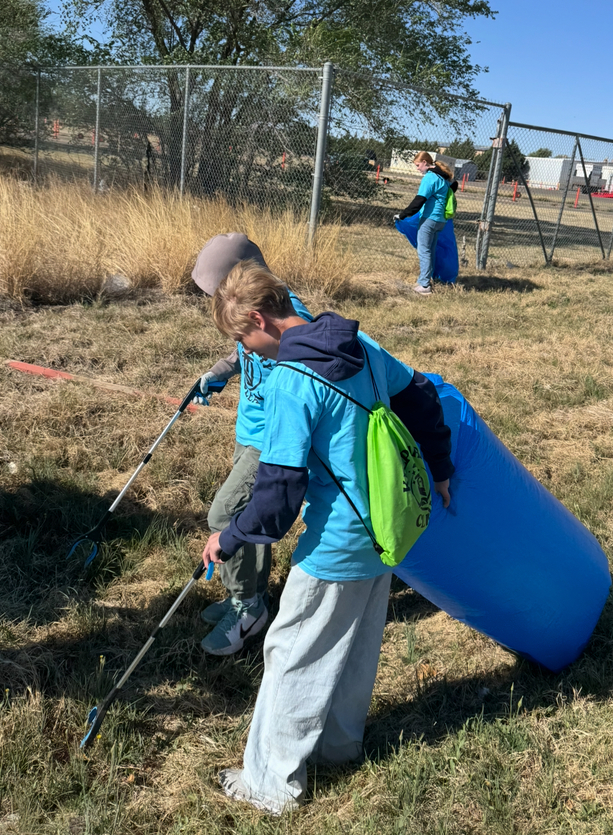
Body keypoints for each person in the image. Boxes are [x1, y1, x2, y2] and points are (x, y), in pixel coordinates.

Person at [202, 261, 454, 816]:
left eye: (243, 337)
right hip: (386, 528)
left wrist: (231, 536)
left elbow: (279, 490)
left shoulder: (291, 379)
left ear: (260, 318)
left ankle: (270, 784)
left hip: (337, 539)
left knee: (290, 651)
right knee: (355, 642)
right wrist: (439, 465)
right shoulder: (355, 341)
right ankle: (340, 746)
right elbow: (417, 391)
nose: (248, 351)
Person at [191, 233, 312, 656]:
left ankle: (248, 609)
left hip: (271, 438)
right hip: (249, 429)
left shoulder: (288, 315)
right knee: (247, 514)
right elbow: (243, 352)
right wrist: (219, 371)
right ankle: (249, 591)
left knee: (225, 512)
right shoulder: (253, 315)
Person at [394, 151, 457, 295]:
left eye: (418, 165)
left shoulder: (430, 178)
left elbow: (419, 200)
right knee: (431, 249)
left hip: (429, 219)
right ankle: (430, 279)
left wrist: (402, 215)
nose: (417, 168)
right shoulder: (443, 177)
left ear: (425, 162)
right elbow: (454, 186)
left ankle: (424, 285)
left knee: (424, 251)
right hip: (440, 220)